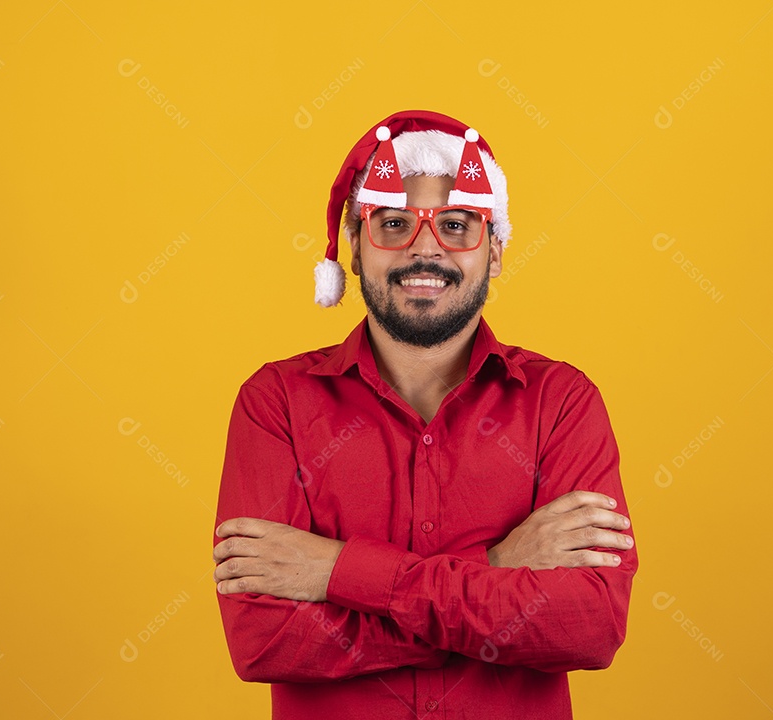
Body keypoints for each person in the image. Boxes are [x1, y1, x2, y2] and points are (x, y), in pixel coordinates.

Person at [212, 109, 638, 720]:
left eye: (458, 225)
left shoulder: (561, 402)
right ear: (354, 247)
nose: (425, 249)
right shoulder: (275, 402)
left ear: (494, 251)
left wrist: (336, 571)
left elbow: (586, 627)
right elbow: (266, 641)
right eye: (393, 224)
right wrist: (492, 571)